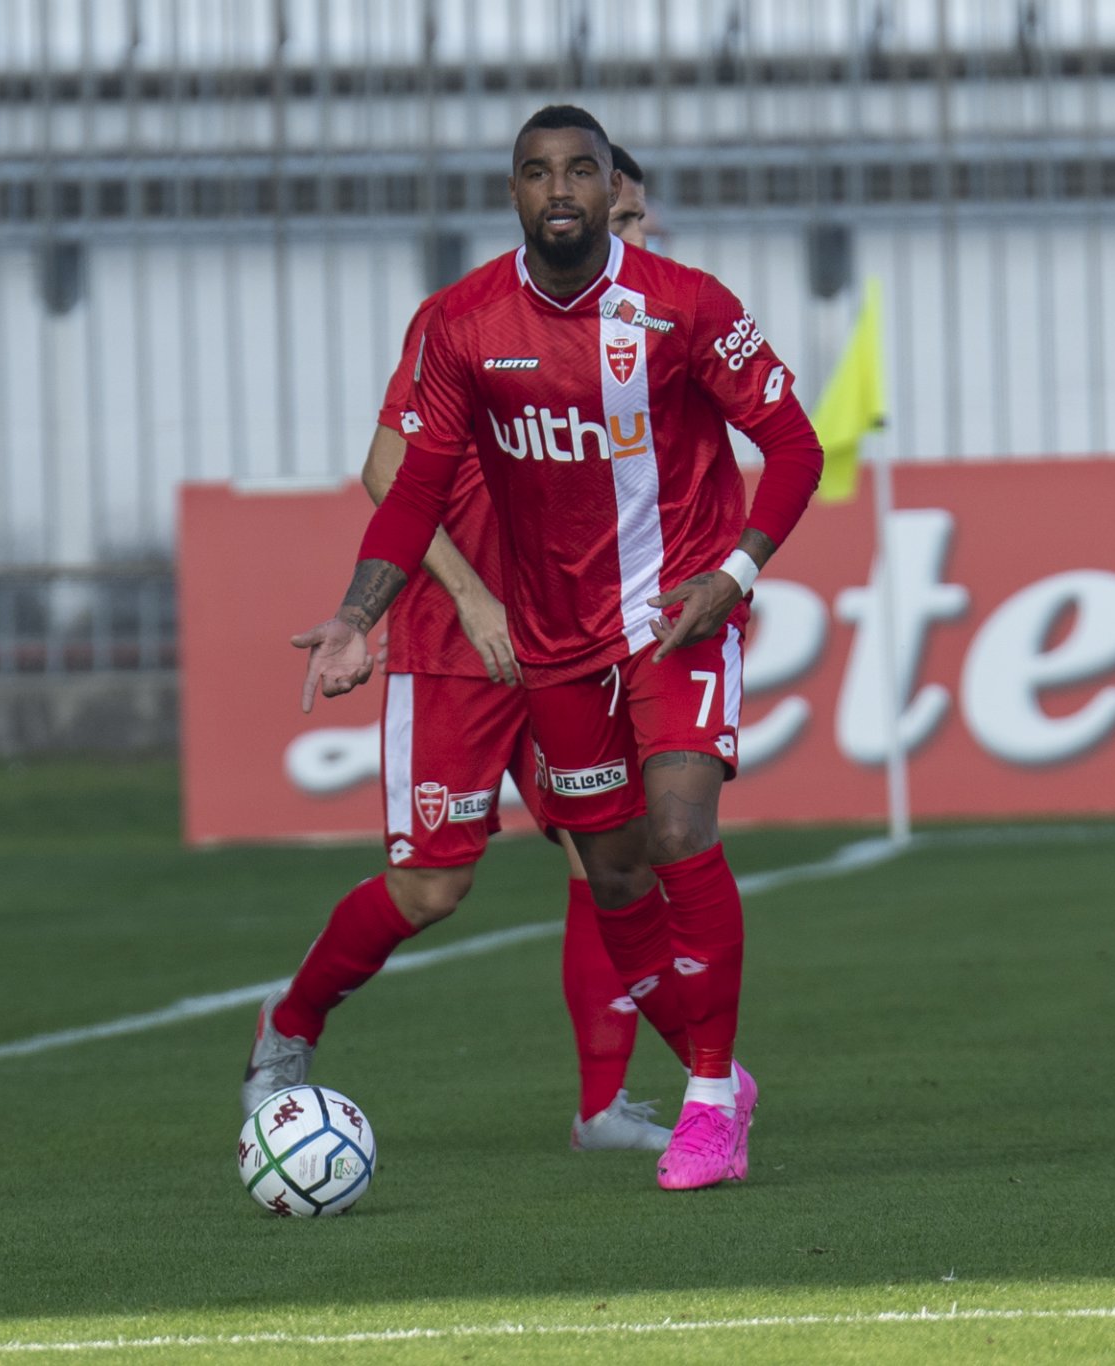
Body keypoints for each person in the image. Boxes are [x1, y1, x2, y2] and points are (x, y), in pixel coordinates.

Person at [292, 104, 824, 1189]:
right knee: (614, 875)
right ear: (516, 193)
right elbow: (409, 486)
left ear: (610, 187)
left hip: (676, 616)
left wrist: (735, 573)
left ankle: (709, 1105)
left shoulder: (686, 307)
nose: (565, 190)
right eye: (540, 173)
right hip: (550, 642)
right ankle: (692, 1077)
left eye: (583, 169)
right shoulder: (463, 324)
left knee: (677, 828)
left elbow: (796, 444)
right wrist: (357, 613)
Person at [242, 161, 676, 1153]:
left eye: (643, 220)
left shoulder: (648, 330)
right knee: (434, 887)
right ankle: (291, 1020)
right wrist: (475, 599)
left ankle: (602, 1106)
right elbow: (385, 469)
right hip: (457, 644)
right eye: (623, 219)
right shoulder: (467, 317)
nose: (637, 239)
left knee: (608, 853)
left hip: (576, 644)